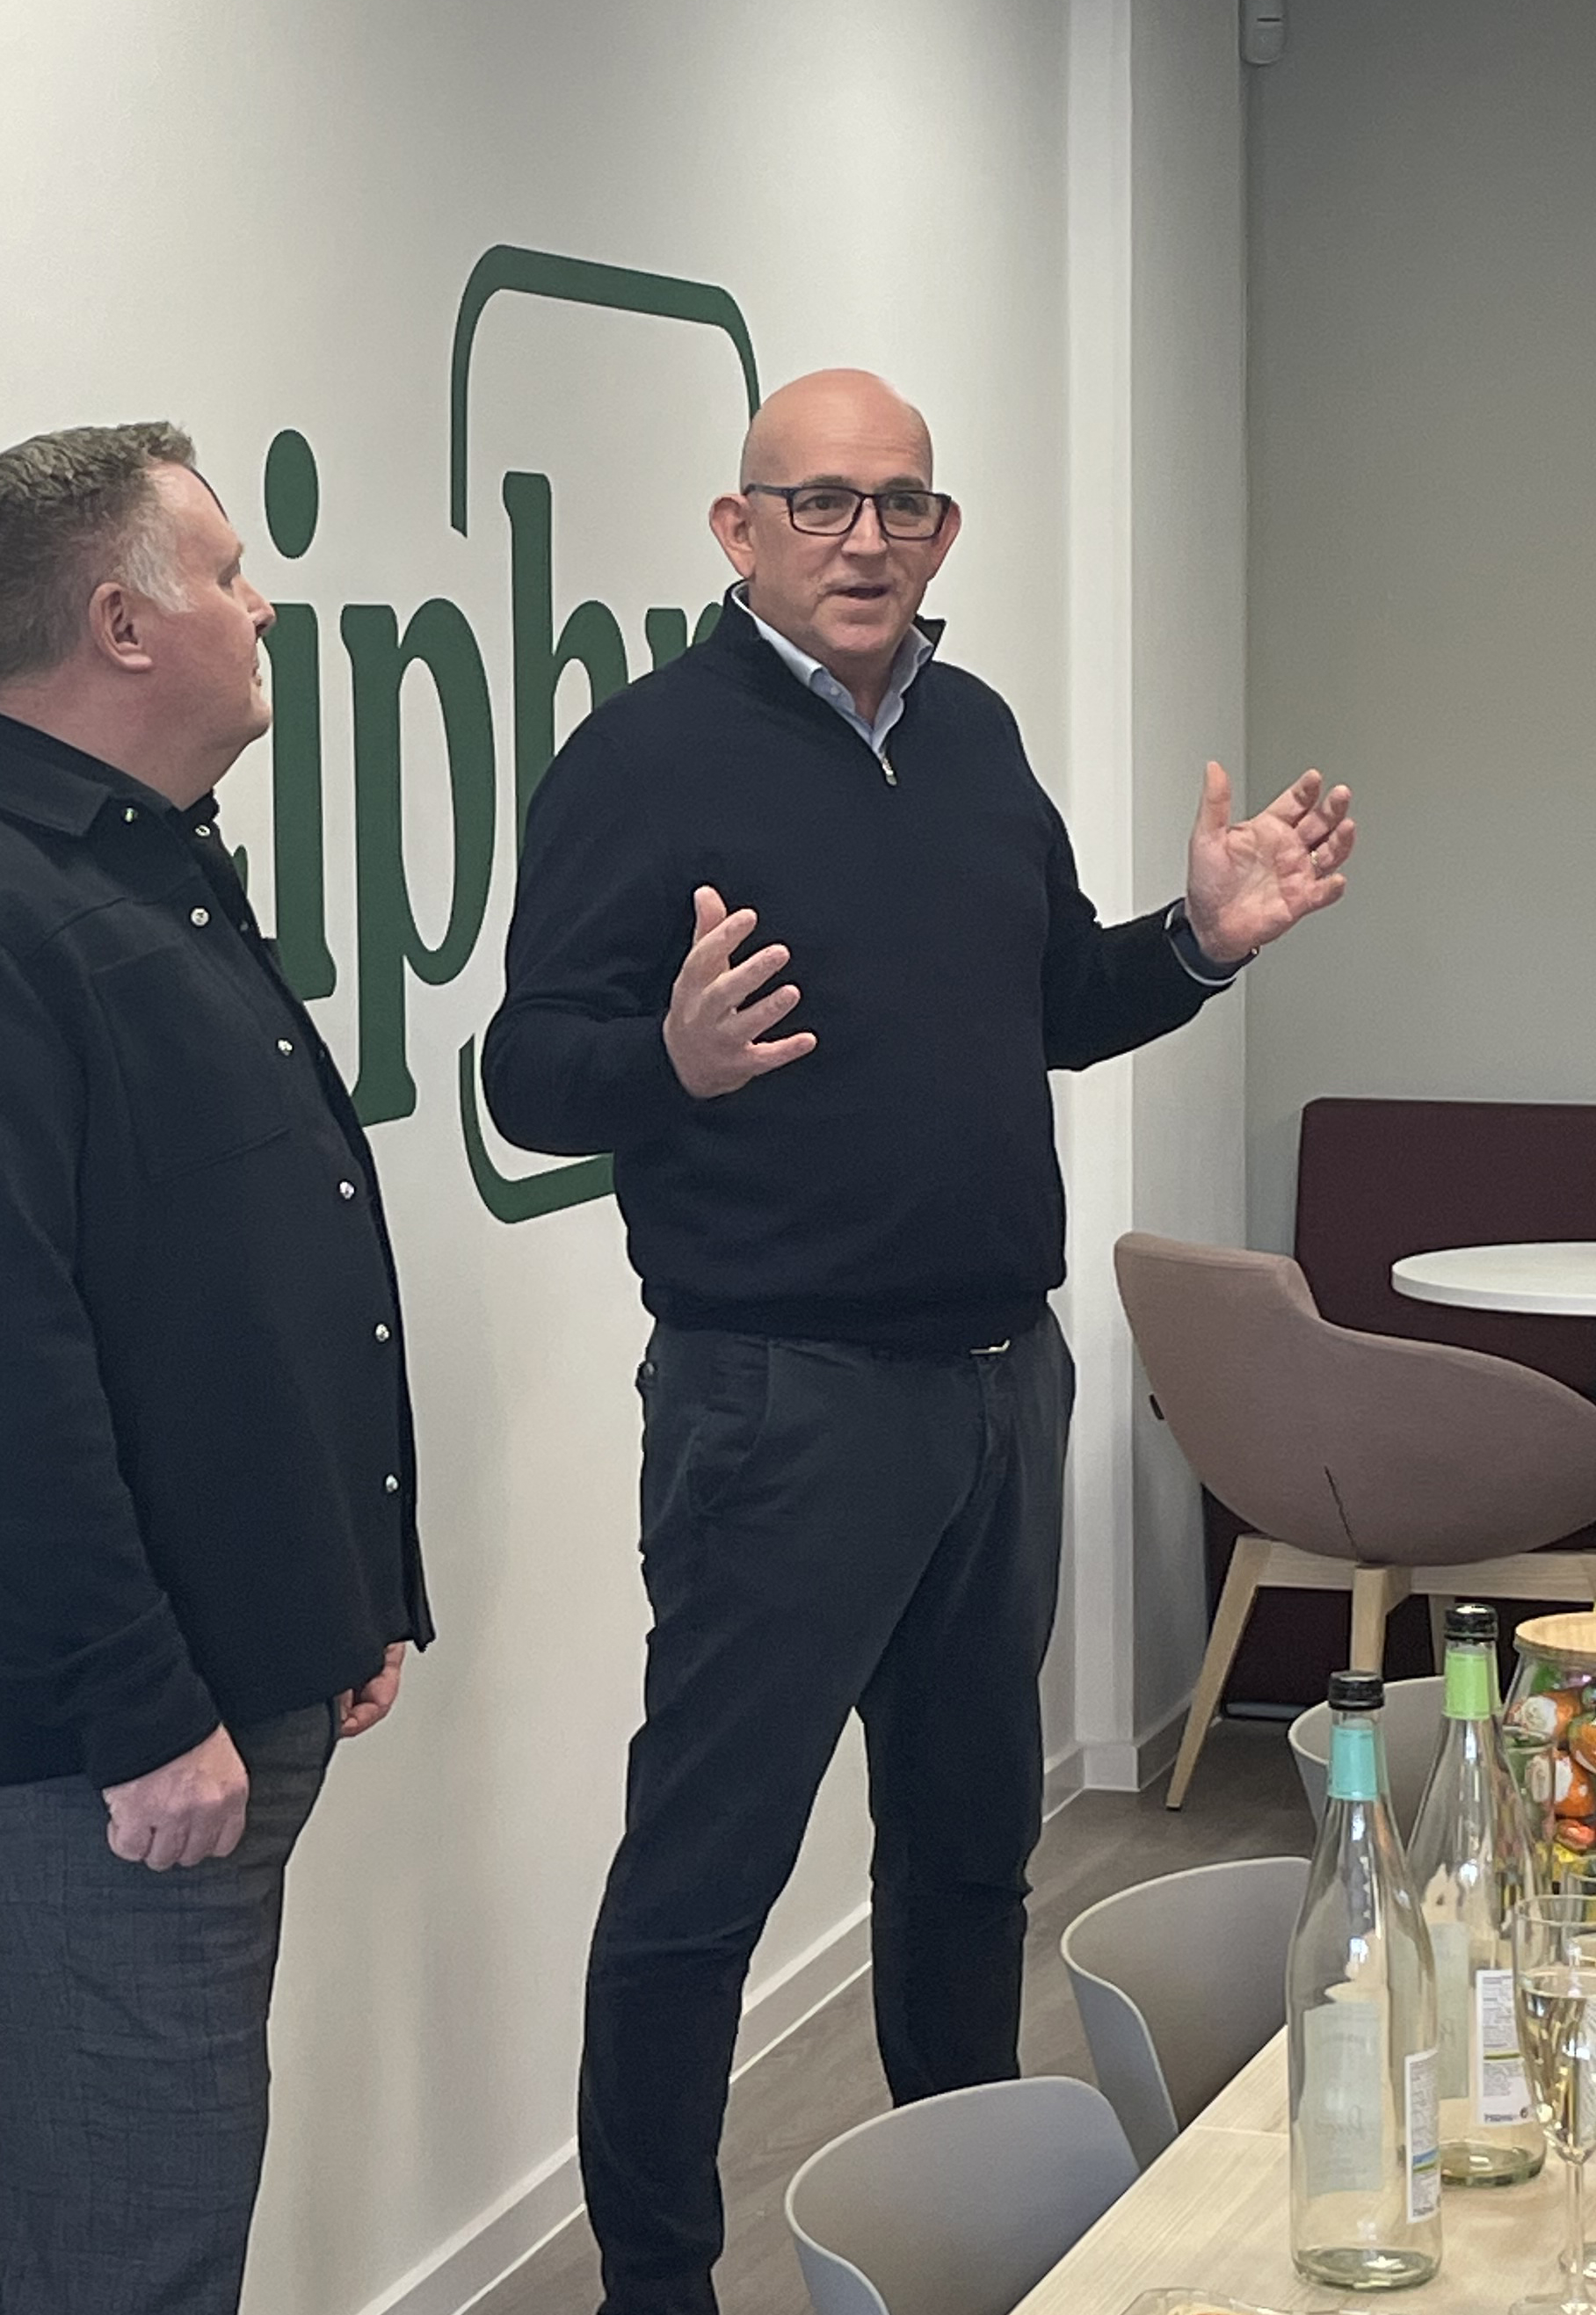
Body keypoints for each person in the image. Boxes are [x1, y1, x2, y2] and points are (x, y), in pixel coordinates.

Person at [481, 369, 1353, 2315]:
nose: (864, 538)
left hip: (996, 1386)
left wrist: (1197, 941)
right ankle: (652, 2285)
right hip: (778, 1400)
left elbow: (1052, 1002)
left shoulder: (971, 735)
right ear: (738, 530)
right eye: (818, 503)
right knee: (702, 1881)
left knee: (967, 1853)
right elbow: (526, 1072)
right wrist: (667, 1060)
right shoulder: (643, 756)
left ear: (941, 531)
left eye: (900, 504)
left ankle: (967, 2237)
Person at [0, 421, 432, 2315]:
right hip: (91, 1741)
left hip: (217, 1679)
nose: (263, 607)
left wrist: (331, 1601)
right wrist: (135, 1708)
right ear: (122, 624)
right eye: (228, 573)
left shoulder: (130, 875)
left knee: (139, 2213)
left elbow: (214, 1280)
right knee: (130, 2238)